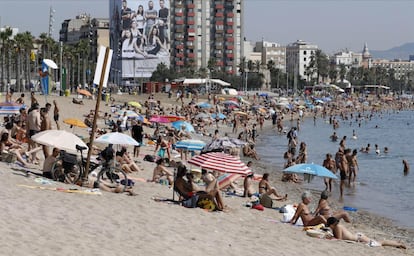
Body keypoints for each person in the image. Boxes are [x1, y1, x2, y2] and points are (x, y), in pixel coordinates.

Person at [326, 217, 406, 249]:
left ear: (332, 224)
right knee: (380, 242)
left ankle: (399, 244)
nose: (329, 227)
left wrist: (330, 238)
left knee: (381, 243)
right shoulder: (336, 227)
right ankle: (397, 244)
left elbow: (339, 239)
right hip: (358, 237)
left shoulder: (338, 227)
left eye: (329, 225)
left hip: (359, 238)